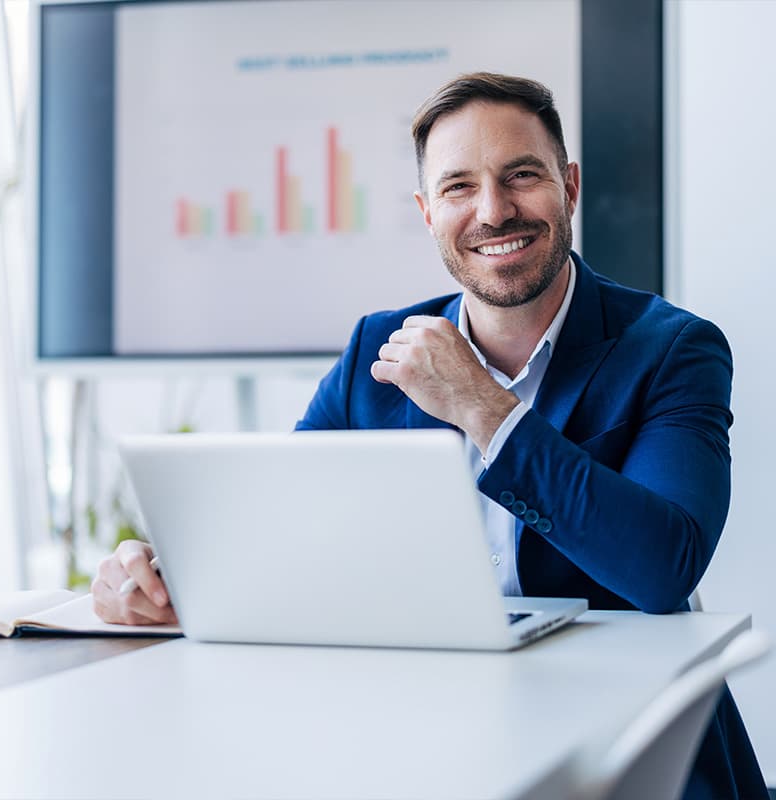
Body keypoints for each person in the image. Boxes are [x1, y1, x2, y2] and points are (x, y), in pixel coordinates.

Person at [93, 73, 767, 799]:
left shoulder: (673, 350)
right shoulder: (377, 349)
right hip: (424, 729)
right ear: (426, 212)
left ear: (569, 186)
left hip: (630, 746)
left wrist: (484, 407)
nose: (493, 210)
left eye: (522, 176)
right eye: (458, 188)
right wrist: (167, 581)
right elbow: (275, 532)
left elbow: (665, 568)